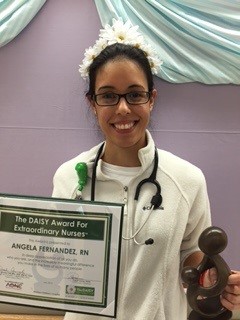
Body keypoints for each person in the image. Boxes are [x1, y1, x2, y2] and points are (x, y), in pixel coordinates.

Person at [52, 19, 240, 320]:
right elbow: (57, 259)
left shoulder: (187, 179)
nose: (123, 109)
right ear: (93, 103)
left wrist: (214, 279)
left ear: (151, 99)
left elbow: (191, 255)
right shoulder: (69, 178)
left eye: (135, 94)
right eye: (109, 95)